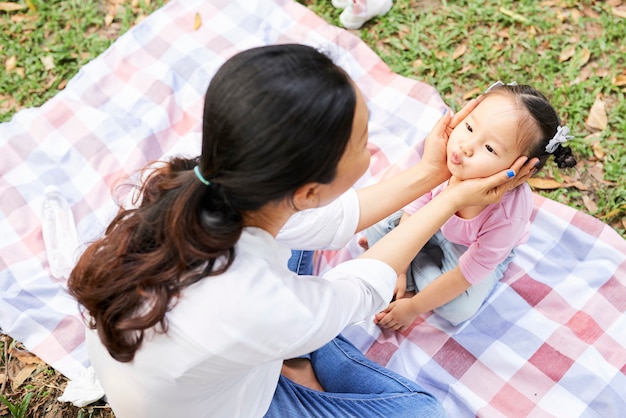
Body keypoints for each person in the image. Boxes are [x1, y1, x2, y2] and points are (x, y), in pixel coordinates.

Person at [67, 45, 536, 417]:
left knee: (309, 259)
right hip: (240, 400)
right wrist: (452, 200)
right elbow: (363, 287)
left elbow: (331, 221)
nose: (372, 151)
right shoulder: (257, 304)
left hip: (215, 347)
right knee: (422, 413)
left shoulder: (201, 180)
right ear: (310, 190)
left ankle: (304, 345)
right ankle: (311, 352)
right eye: (360, 142)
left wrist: (434, 176)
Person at [364, 81, 577, 331]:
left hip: (466, 251)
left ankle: (412, 269)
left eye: (489, 148)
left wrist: (413, 308)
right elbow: (416, 205)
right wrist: (397, 269)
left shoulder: (509, 215)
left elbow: (464, 276)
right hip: (431, 222)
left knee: (457, 309)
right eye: (469, 126)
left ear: (521, 169)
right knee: (377, 223)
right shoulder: (447, 154)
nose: (466, 147)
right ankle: (409, 267)